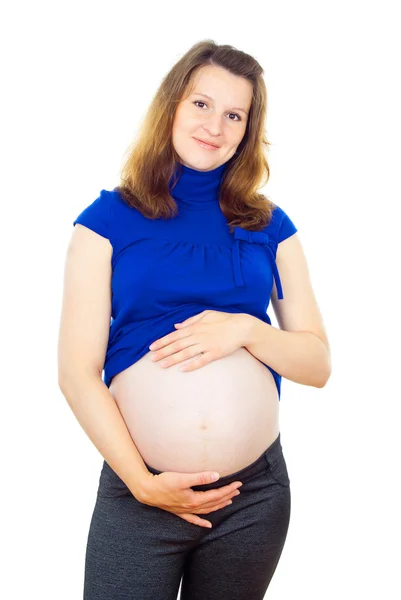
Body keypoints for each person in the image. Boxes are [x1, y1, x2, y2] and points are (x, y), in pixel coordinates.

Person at [58, 39, 331, 600]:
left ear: (247, 130)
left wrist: (248, 330)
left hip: (251, 497)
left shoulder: (270, 225)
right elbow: (75, 373)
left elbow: (317, 363)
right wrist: (143, 483)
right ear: (173, 106)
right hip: (143, 489)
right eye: (202, 105)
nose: (215, 125)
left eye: (235, 114)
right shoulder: (106, 221)